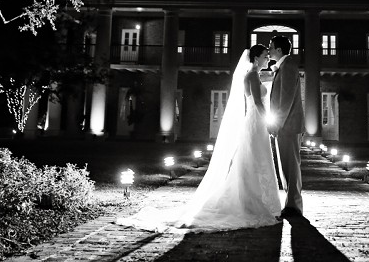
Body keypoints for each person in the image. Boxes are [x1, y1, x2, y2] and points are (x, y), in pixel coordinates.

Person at [116, 45, 281, 233]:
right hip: (256, 122)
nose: (268, 59)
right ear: (257, 58)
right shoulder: (251, 76)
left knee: (255, 161)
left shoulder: (254, 75)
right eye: (266, 56)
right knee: (253, 161)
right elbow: (258, 104)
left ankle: (256, 202)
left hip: (255, 123)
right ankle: (250, 204)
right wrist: (270, 123)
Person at [267, 35, 304, 217]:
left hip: (289, 126)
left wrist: (277, 124)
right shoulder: (283, 66)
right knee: (286, 165)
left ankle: (294, 206)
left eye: (271, 47)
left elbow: (286, 99)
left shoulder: (288, 66)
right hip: (286, 126)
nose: (269, 50)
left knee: (291, 165)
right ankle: (290, 203)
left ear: (279, 50)